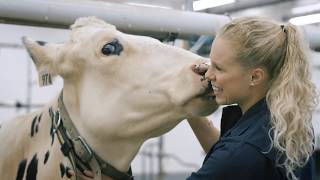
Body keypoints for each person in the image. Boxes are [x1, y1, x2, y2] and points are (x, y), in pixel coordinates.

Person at [69, 16, 318, 180]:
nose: (208, 73)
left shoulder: (242, 153)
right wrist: (192, 100)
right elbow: (225, 153)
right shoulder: (283, 121)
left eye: (219, 69)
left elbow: (232, 160)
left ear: (255, 76)